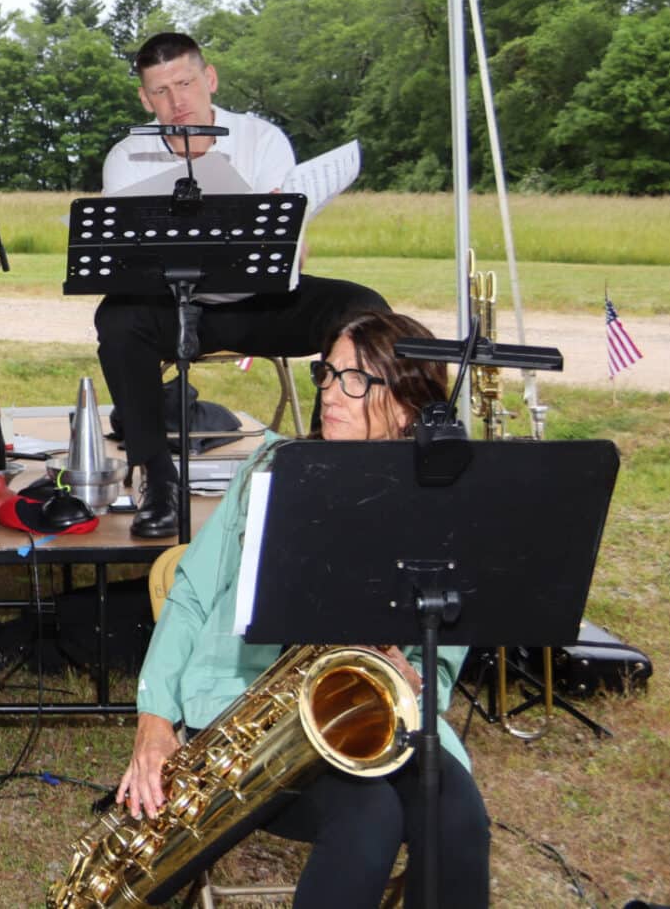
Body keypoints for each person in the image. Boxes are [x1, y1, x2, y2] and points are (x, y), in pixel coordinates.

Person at [116, 309, 491, 907]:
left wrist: (415, 673)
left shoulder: (444, 504)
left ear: (406, 404)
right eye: (326, 373)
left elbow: (441, 664)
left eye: (356, 379)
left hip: (386, 720)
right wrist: (154, 721)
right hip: (254, 719)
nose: (329, 394)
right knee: (368, 822)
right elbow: (188, 595)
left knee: (459, 824)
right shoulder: (270, 469)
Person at [94, 31, 386, 539]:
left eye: (184, 83)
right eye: (160, 91)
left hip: (262, 301)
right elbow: (126, 261)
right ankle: (159, 480)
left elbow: (294, 247)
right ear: (144, 98)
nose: (176, 101)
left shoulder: (261, 138)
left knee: (362, 308)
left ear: (209, 79)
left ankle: (326, 464)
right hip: (175, 304)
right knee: (116, 316)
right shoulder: (127, 155)